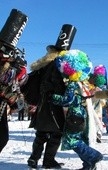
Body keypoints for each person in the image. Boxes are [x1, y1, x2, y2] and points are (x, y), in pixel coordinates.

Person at [24, 24, 77, 169]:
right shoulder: (59, 65)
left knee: (41, 133)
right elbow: (55, 84)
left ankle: (33, 159)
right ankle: (48, 160)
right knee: (56, 133)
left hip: (43, 102)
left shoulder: (44, 63)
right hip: (53, 102)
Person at [51, 49, 103, 170]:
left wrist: (52, 97)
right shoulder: (83, 82)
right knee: (82, 140)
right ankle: (88, 165)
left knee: (72, 140)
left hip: (74, 115)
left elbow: (67, 100)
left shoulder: (73, 83)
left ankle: (94, 155)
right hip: (84, 114)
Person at [0, 9, 28, 153]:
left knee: (3, 138)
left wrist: (20, 70)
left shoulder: (11, 66)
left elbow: (18, 83)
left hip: (3, 106)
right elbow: (4, 87)